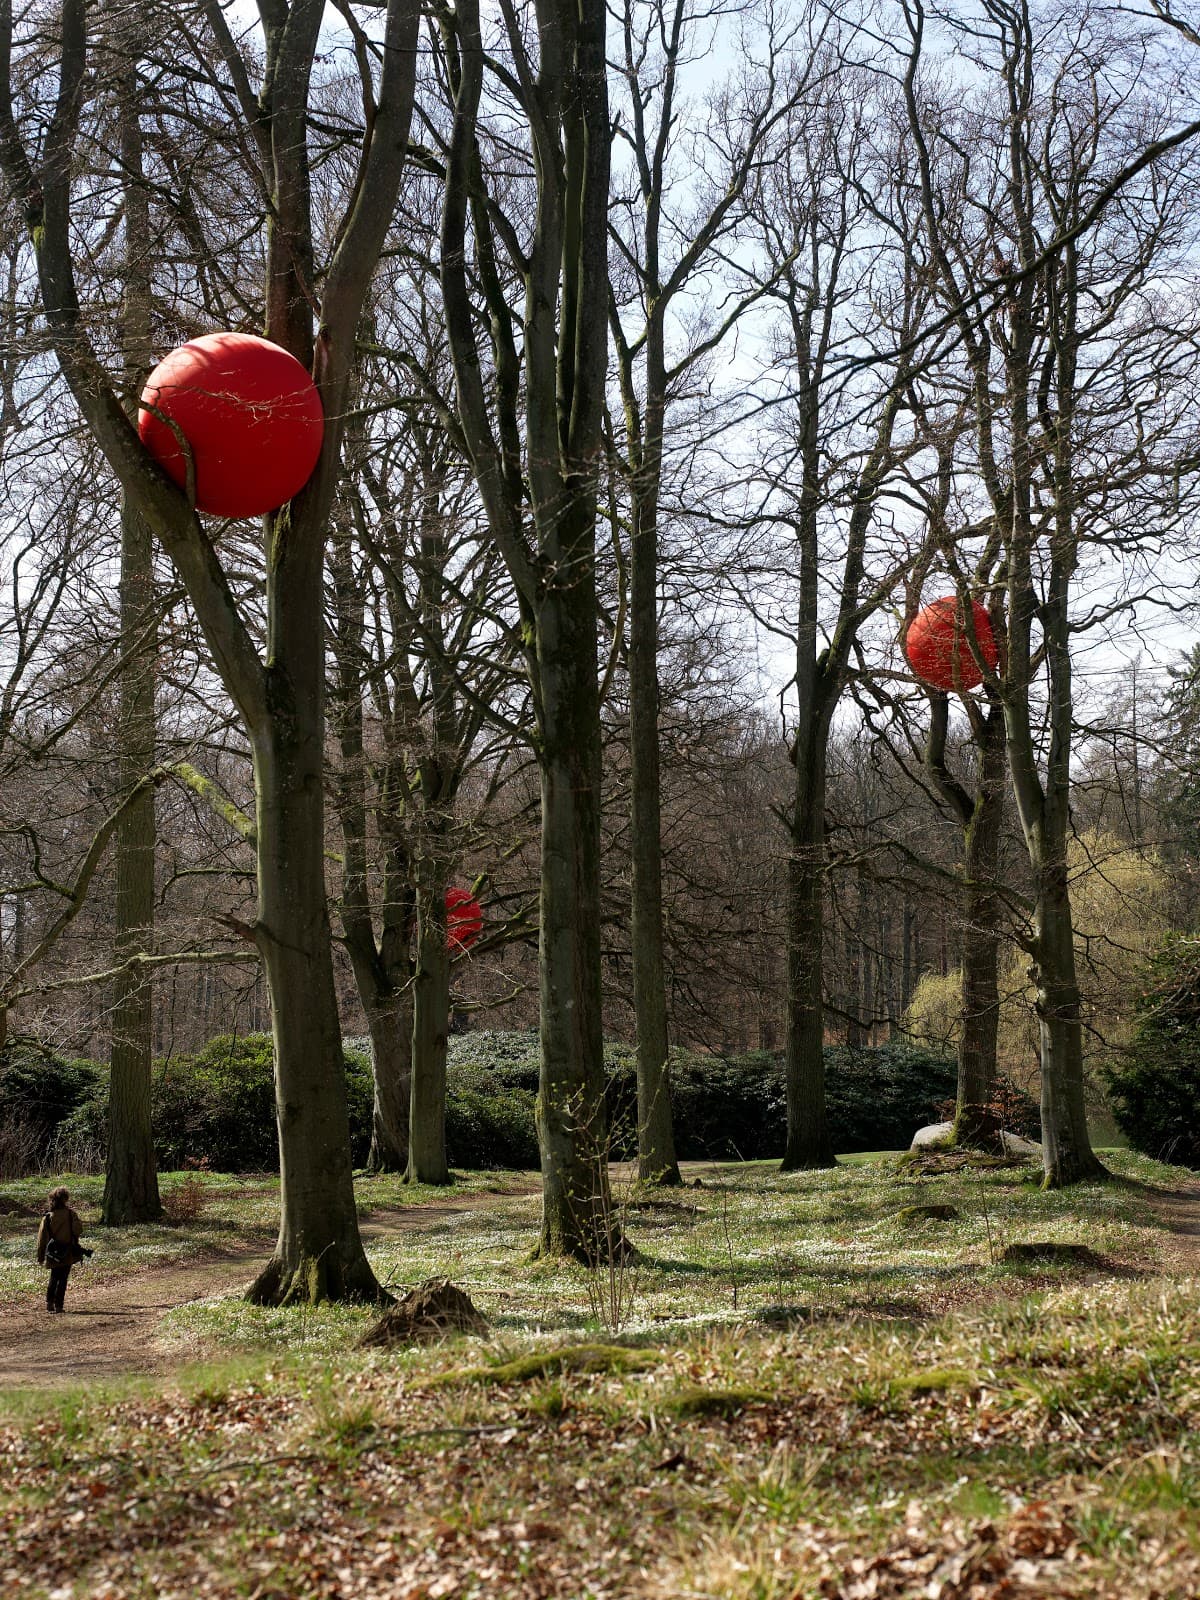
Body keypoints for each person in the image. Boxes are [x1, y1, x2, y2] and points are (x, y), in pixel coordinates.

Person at [36, 1187, 84, 1314]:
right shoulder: (71, 1214)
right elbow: (78, 1230)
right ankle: (59, 1305)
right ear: (65, 1199)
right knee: (63, 1278)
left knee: (54, 1276)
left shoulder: (47, 1217)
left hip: (52, 1252)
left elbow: (41, 1240)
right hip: (67, 1251)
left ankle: (49, 1303)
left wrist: (40, 1256)